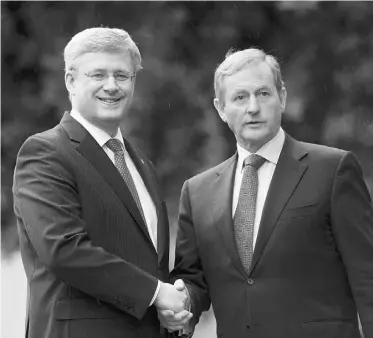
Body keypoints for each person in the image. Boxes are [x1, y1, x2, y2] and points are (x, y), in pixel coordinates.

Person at [159, 48, 373, 338]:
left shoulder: (333, 170)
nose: (253, 107)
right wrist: (182, 306)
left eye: (263, 93)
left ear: (282, 97)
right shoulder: (197, 192)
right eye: (239, 97)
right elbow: (193, 279)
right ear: (221, 108)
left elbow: (366, 275)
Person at [13, 27, 190, 338]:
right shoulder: (45, 152)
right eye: (98, 75)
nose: (112, 86)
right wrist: (156, 293)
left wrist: (172, 311)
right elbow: (64, 249)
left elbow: (150, 263)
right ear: (70, 81)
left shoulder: (143, 165)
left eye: (122, 75)